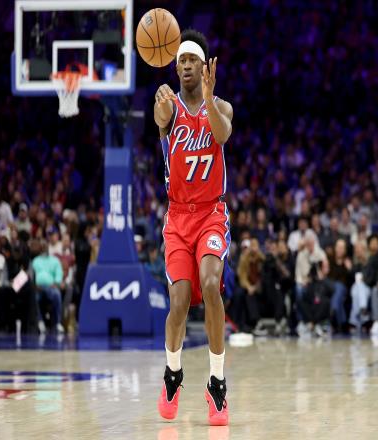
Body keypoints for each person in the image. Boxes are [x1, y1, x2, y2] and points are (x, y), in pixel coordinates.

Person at [154, 29, 233, 425]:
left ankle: (217, 383)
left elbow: (222, 133)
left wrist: (210, 98)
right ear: (176, 67)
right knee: (179, 302)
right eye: (181, 60)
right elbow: (160, 119)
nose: (186, 66)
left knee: (210, 282)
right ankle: (173, 373)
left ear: (204, 67)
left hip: (210, 214)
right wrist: (160, 105)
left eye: (192, 60)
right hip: (178, 219)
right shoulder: (168, 106)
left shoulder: (222, 107)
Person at [32, 240, 64, 334]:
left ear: (48, 248)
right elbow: (32, 275)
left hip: (51, 286)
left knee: (56, 294)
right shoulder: (35, 261)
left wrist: (56, 283)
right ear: (40, 249)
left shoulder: (55, 260)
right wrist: (34, 285)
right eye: (42, 246)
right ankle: (40, 322)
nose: (44, 248)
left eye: (45, 246)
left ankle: (57, 323)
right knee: (34, 297)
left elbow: (59, 274)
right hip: (38, 287)